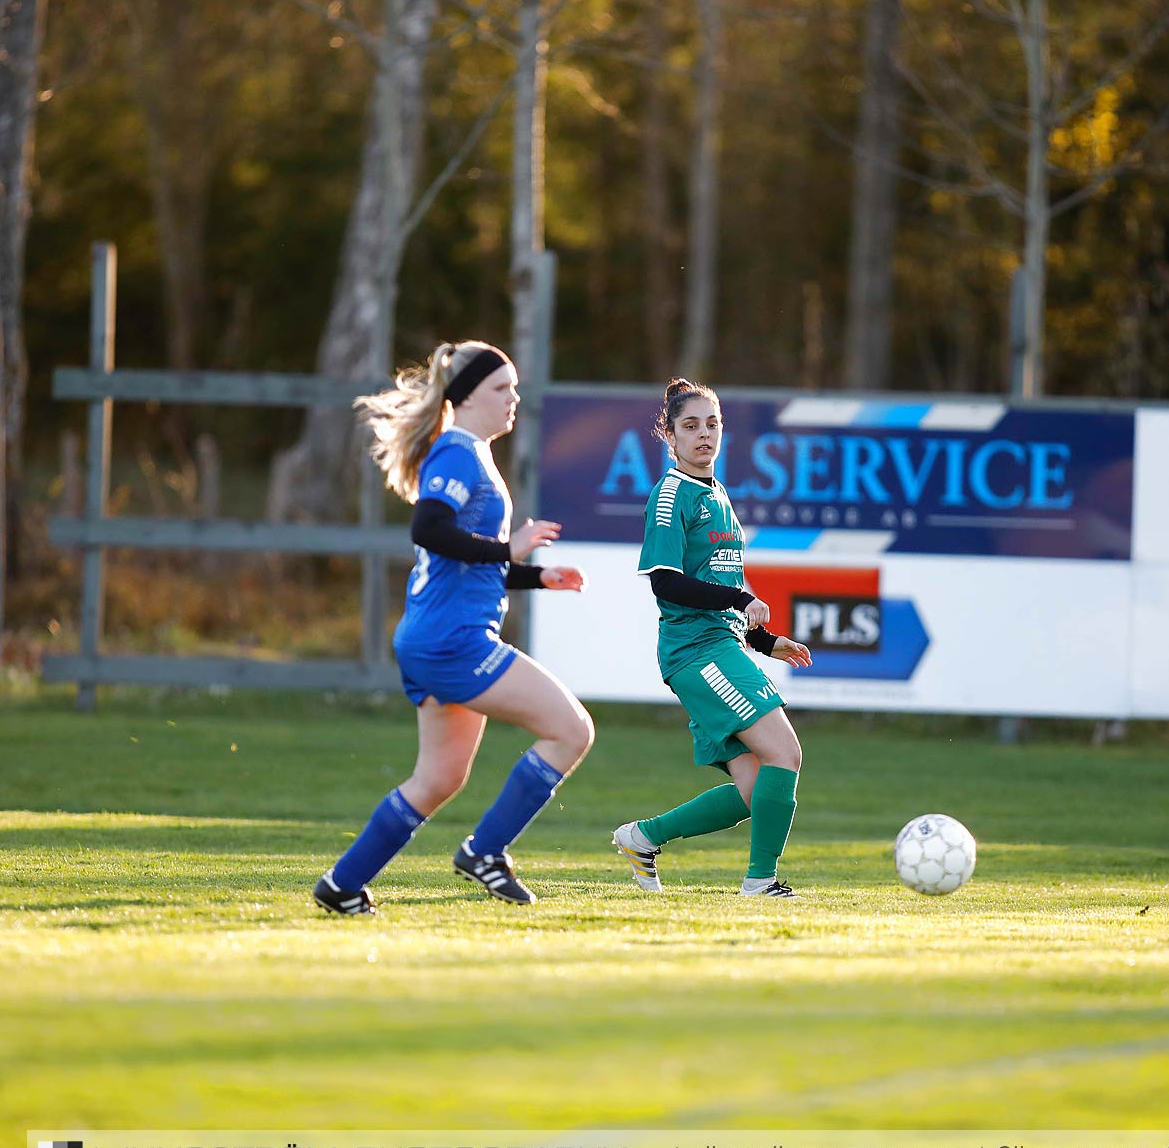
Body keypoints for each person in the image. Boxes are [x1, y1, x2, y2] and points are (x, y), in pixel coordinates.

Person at [312, 341, 593, 916]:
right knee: (571, 730)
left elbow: (468, 564)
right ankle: (484, 852)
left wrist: (537, 578)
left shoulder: (473, 454)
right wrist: (507, 547)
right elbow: (428, 529)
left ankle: (341, 886)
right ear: (465, 397)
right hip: (453, 643)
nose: (514, 397)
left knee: (437, 780)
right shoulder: (459, 455)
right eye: (501, 388)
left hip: (433, 639)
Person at [612, 378, 814, 897]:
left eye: (712, 423)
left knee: (754, 789)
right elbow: (666, 581)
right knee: (785, 753)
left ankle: (642, 837)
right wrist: (738, 602)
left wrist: (765, 641)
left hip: (718, 645)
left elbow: (723, 582)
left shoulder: (717, 494)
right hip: (696, 651)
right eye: (690, 425)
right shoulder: (670, 494)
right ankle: (760, 882)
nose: (703, 434)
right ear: (670, 436)